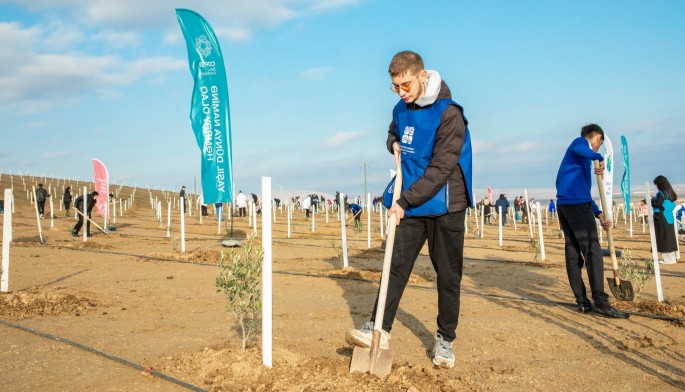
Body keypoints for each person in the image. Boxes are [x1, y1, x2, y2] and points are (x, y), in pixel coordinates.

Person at [345, 50, 473, 368]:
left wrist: (404, 201)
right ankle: (379, 329)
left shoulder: (449, 113)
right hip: (412, 203)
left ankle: (444, 341)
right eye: (395, 87)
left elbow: (442, 167)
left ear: (422, 76)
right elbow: (392, 132)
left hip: (446, 204)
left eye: (406, 85)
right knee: (395, 268)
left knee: (448, 275)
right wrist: (393, 144)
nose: (402, 92)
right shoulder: (400, 109)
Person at [555, 123, 628, 319]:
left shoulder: (578, 162)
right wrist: (599, 157)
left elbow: (583, 192)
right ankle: (601, 302)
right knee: (593, 252)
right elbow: (582, 148)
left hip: (567, 205)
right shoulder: (580, 144)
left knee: (573, 255)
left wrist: (597, 213)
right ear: (597, 137)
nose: (598, 148)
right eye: (599, 144)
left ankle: (582, 302)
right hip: (576, 206)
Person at [651, 175, 678, 264]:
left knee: (663, 237)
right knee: (670, 237)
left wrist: (652, 200)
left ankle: (668, 259)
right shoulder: (670, 193)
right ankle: (672, 258)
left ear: (660, 184)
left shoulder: (661, 193)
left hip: (662, 217)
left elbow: (657, 204)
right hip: (669, 217)